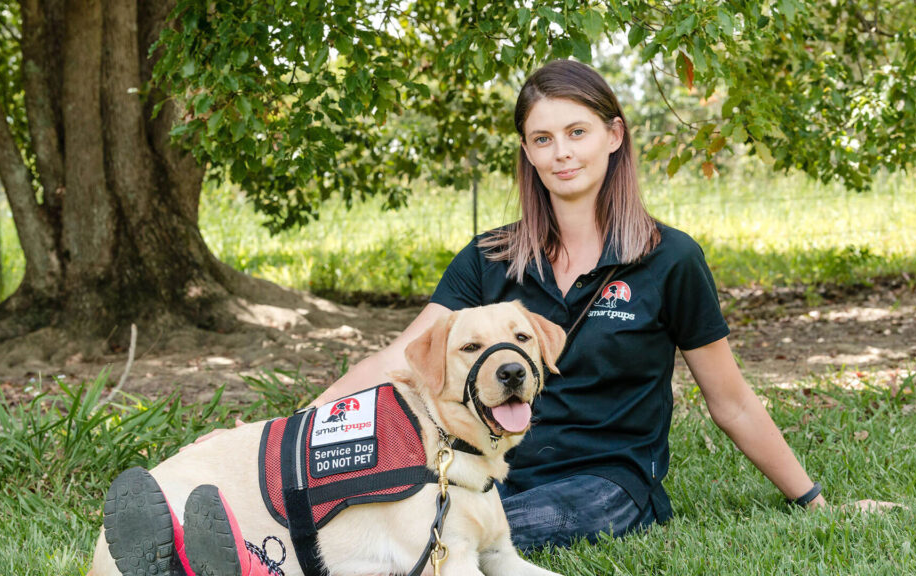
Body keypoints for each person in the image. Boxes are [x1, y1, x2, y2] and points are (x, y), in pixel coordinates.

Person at [305, 59, 829, 551]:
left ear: (614, 136)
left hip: (606, 485)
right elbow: (396, 364)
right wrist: (284, 435)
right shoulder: (490, 258)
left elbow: (732, 402)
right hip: (489, 467)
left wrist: (812, 500)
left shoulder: (670, 259)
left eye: (578, 132)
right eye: (543, 139)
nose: (562, 153)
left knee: (444, 540)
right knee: (389, 520)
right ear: (528, 153)